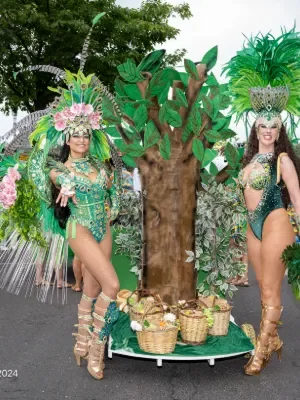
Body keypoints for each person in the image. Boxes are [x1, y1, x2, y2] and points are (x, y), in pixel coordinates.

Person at [224, 30, 300, 376]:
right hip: (252, 226)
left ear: (279, 130)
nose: (267, 131)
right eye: (262, 126)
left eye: (273, 126)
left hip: (276, 220)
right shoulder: (246, 161)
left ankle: (262, 349)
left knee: (272, 286)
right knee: (260, 286)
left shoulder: (283, 160)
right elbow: (234, 197)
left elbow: (297, 200)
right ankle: (270, 339)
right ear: (254, 130)